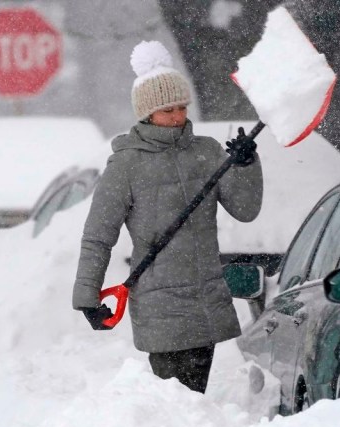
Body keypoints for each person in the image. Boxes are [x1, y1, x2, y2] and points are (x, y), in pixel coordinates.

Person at [72, 40, 264, 394]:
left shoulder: (206, 152)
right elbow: (98, 235)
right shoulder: (126, 165)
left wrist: (246, 165)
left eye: (180, 107)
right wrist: (87, 297)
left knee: (193, 402)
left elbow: (246, 210)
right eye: (166, 110)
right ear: (146, 114)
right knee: (177, 402)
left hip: (205, 299)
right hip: (161, 306)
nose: (177, 116)